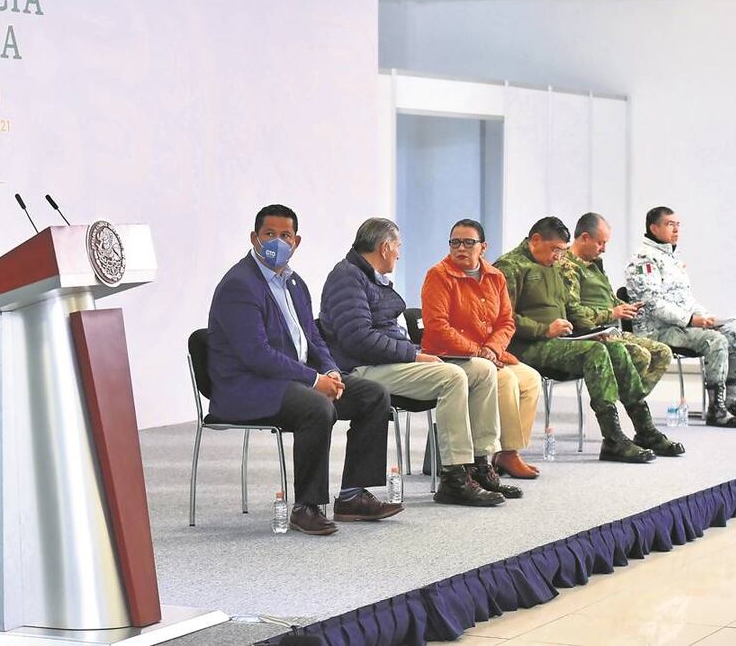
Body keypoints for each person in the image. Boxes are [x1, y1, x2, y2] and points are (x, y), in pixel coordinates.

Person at [207, 205, 404, 536]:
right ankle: (306, 507)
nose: (277, 241)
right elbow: (257, 355)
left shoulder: (294, 283)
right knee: (317, 407)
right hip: (247, 387)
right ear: (254, 238)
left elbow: (313, 337)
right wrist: (314, 380)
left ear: (296, 241)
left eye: (285, 235)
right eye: (269, 234)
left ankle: (352, 496)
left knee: (372, 395)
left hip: (290, 380)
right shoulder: (239, 285)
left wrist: (331, 370)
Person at [319, 218, 518, 507]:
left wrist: (413, 351)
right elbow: (358, 339)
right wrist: (414, 354)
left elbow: (385, 333)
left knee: (482, 370)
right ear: (385, 247)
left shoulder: (370, 276)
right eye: (397, 247)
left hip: (387, 362)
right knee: (452, 376)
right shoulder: (347, 277)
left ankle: (478, 463)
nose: (399, 254)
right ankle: (454, 478)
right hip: (360, 369)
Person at [494, 217, 683, 463]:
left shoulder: (554, 264)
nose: (558, 256)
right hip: (527, 346)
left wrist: (594, 330)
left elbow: (572, 308)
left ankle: (645, 429)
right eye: (554, 250)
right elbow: (502, 317)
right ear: (536, 240)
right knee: (594, 352)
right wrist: (544, 329)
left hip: (560, 340)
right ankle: (613, 439)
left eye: (562, 251)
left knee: (615, 349)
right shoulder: (510, 267)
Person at [420, 219, 543, 480]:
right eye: (455, 242)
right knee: (505, 379)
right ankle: (503, 453)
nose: (460, 248)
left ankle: (508, 452)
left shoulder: (495, 276)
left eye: (468, 242)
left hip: (489, 354)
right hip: (451, 356)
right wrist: (478, 351)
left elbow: (506, 322)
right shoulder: (438, 275)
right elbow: (437, 326)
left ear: (483, 247)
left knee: (531, 379)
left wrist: (492, 349)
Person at [625, 206, 736, 427]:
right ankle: (716, 409)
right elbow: (653, 304)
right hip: (657, 329)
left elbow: (686, 300)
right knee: (715, 341)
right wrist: (692, 320)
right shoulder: (642, 260)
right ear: (654, 228)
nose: (676, 230)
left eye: (678, 225)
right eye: (670, 225)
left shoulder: (671, 257)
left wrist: (707, 318)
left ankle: (733, 402)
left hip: (681, 325)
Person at [560, 212, 672, 396]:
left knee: (663, 353)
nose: (604, 249)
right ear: (585, 238)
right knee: (641, 355)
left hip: (610, 331)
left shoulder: (594, 265)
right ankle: (631, 404)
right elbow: (573, 311)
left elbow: (608, 297)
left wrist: (625, 306)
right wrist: (613, 313)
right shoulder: (567, 267)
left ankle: (632, 400)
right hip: (590, 334)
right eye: (600, 243)